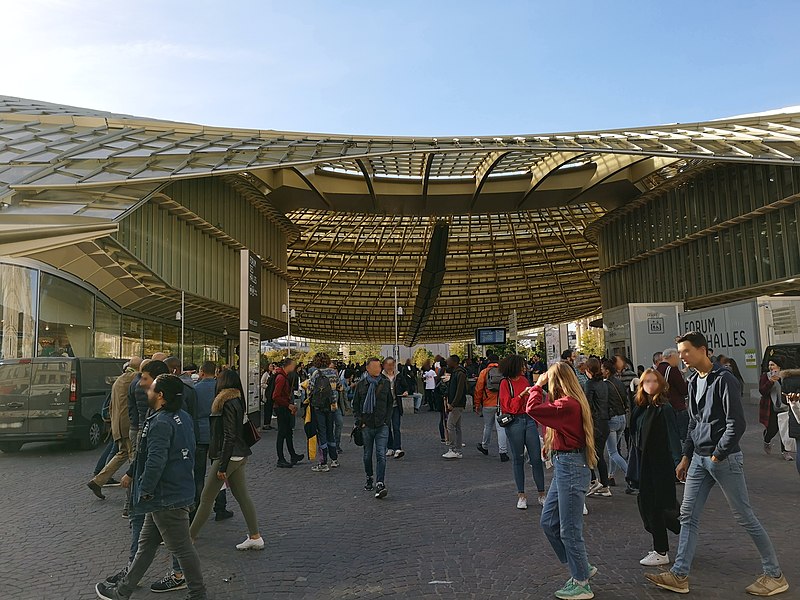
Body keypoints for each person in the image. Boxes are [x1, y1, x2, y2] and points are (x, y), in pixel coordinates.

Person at [646, 332, 788, 597]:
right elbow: (693, 422)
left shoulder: (725, 380)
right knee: (688, 515)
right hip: (699, 459)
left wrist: (717, 454)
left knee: (744, 517)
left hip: (723, 459)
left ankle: (774, 574)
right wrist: (687, 456)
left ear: (703, 350)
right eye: (681, 352)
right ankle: (679, 574)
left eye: (686, 351)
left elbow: (737, 423)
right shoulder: (693, 381)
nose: (683, 357)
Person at [94, 374, 207, 600]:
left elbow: (155, 461)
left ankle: (198, 594)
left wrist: (144, 490)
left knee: (182, 548)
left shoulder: (160, 422)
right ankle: (122, 592)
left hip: (165, 497)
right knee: (146, 545)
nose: (147, 392)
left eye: (151, 389)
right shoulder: (182, 417)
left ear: (161, 396)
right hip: (173, 492)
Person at [525, 362, 598, 600]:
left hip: (571, 468)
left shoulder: (567, 404)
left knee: (569, 529)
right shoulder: (571, 402)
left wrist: (537, 385)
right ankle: (582, 567)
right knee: (549, 522)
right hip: (565, 465)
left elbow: (533, 409)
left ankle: (581, 581)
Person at [190, 369, 263, 551]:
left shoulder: (226, 402)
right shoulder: (237, 400)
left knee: (207, 497)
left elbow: (229, 436)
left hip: (229, 455)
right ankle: (255, 536)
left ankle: (189, 537)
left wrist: (222, 465)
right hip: (238, 454)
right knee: (242, 496)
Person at [629, 369, 682, 567]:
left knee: (655, 506)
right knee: (647, 504)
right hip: (644, 462)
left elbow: (672, 436)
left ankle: (661, 550)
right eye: (646, 381)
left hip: (660, 464)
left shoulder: (663, 407)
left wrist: (679, 461)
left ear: (660, 383)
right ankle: (681, 528)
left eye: (654, 381)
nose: (650, 384)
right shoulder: (641, 406)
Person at [88, 358, 141, 499]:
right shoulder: (136, 379)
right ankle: (132, 497)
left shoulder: (119, 379)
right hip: (128, 424)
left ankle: (98, 481)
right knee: (133, 457)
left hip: (118, 423)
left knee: (122, 453)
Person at [498, 354, 546, 509]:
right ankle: (521, 495)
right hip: (515, 422)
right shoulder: (505, 383)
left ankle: (541, 493)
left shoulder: (525, 380)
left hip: (528, 419)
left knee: (536, 459)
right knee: (518, 459)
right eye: (522, 365)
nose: (525, 368)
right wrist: (521, 395)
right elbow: (508, 407)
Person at [353, 357, 394, 499]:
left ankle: (380, 482)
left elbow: (390, 403)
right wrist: (360, 421)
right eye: (375, 367)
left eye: (379, 367)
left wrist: (387, 421)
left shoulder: (385, 383)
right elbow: (356, 405)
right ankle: (369, 476)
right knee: (367, 455)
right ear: (367, 368)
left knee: (381, 454)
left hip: (382, 425)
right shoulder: (361, 385)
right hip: (367, 425)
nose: (378, 369)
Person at [584, 358, 612, 499]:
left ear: (589, 370)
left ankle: (593, 481)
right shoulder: (604, 384)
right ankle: (605, 485)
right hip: (604, 422)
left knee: (589, 453)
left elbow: (587, 405)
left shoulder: (589, 384)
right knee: (600, 454)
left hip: (594, 423)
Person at [307, 353, 340, 472]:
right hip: (331, 406)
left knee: (322, 433)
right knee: (330, 431)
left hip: (319, 407)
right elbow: (339, 387)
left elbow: (310, 389)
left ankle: (323, 462)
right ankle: (334, 459)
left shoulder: (316, 373)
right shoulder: (333, 373)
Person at [474, 354, 510, 462]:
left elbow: (478, 389)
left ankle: (484, 446)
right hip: (501, 404)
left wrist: (477, 404)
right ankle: (503, 452)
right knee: (501, 427)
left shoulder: (484, 372)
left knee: (488, 426)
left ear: (488, 361)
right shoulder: (504, 372)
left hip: (487, 404)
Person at [600, 359, 628, 488]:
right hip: (622, 417)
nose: (601, 371)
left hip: (612, 419)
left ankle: (631, 475)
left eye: (602, 369)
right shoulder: (619, 383)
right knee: (615, 449)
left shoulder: (605, 385)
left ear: (607, 371)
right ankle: (610, 476)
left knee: (613, 452)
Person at [758, 359, 793, 461]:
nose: (770, 367)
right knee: (773, 429)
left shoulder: (785, 376)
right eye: (769, 365)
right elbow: (762, 391)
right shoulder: (766, 376)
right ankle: (767, 439)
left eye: (773, 365)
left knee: (784, 430)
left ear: (779, 366)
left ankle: (785, 452)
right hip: (771, 407)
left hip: (785, 407)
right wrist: (770, 382)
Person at [272, 358, 305, 468]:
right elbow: (276, 396)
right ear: (289, 366)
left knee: (288, 432)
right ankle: (280, 459)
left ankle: (292, 455)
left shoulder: (282, 376)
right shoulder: (281, 378)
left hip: (283, 407)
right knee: (282, 433)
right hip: (281, 408)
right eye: (293, 365)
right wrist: (288, 405)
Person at [657, 348, 690, 443]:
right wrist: (688, 381)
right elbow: (683, 390)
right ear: (670, 356)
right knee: (683, 437)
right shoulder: (672, 369)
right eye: (677, 357)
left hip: (663, 406)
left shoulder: (657, 369)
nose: (679, 359)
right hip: (676, 407)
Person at [442, 355, 467, 459]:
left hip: (457, 404)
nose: (447, 362)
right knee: (457, 427)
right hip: (457, 403)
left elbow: (460, 390)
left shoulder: (459, 373)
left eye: (449, 361)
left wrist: (452, 403)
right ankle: (458, 450)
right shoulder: (457, 372)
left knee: (450, 425)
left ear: (454, 362)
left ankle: (452, 449)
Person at [383, 357, 408, 459]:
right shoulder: (381, 377)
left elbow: (406, 386)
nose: (390, 367)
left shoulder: (399, 376)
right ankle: (390, 447)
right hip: (385, 407)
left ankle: (397, 447)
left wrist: (405, 391)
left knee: (396, 427)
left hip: (396, 405)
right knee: (387, 428)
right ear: (384, 365)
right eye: (388, 365)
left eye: (391, 365)